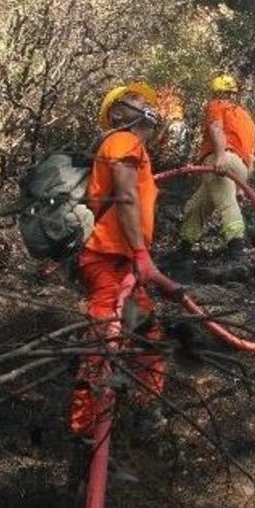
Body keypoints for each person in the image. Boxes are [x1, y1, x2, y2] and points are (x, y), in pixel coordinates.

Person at [69, 83, 167, 438]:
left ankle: (145, 412)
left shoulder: (130, 147)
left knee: (147, 338)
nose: (150, 106)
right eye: (141, 101)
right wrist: (141, 253)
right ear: (121, 113)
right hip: (110, 258)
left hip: (121, 262)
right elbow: (125, 198)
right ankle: (85, 430)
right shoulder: (123, 141)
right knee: (102, 343)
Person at [177, 74, 255, 257]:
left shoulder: (216, 105)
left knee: (226, 204)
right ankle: (184, 248)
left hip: (221, 160)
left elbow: (216, 128)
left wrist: (220, 157)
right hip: (241, 167)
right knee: (197, 206)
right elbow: (252, 157)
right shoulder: (247, 118)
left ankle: (237, 249)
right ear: (234, 93)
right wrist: (241, 186)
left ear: (215, 92)